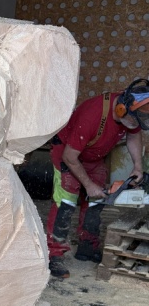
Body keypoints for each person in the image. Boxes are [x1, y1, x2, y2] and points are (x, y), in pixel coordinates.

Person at [46, 79, 149, 279]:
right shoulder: (92, 115)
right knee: (66, 201)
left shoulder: (134, 109)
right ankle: (54, 254)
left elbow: (133, 135)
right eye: (134, 121)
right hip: (67, 153)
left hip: (93, 155)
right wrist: (88, 184)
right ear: (121, 109)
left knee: (97, 199)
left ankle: (87, 246)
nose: (135, 125)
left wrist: (137, 165)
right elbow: (69, 157)